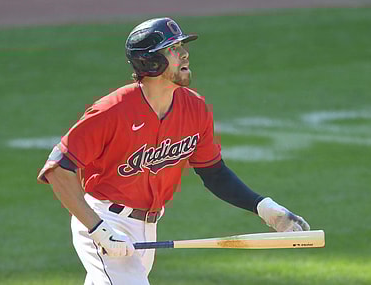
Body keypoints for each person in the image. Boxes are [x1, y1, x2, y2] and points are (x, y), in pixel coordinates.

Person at [37, 17, 310, 285]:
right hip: (104, 221)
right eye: (173, 49)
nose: (184, 54)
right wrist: (97, 228)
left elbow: (213, 173)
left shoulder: (195, 108)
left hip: (147, 229)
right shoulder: (112, 110)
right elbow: (58, 169)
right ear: (151, 61)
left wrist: (264, 207)